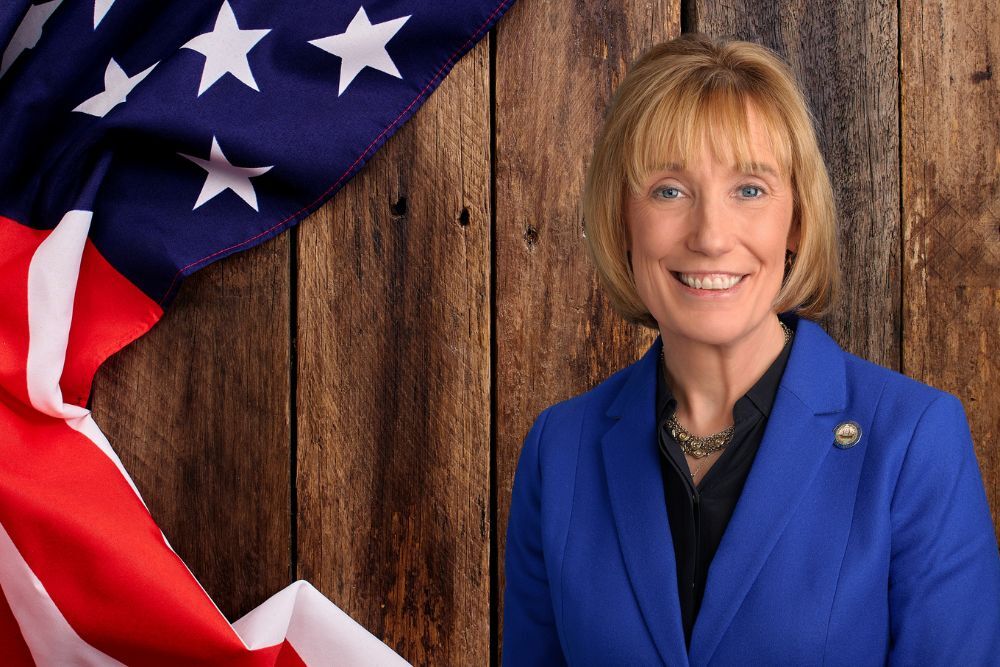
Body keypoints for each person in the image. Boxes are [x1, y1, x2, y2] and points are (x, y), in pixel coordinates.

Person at [502, 33, 1000, 666]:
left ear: (796, 221)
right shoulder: (559, 451)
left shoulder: (914, 441)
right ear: (621, 217)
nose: (711, 237)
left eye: (750, 189)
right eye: (669, 190)